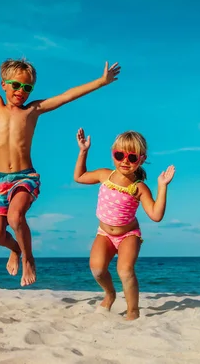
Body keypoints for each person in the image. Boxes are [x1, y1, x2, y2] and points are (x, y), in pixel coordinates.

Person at [0, 9, 121, 287]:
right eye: (16, 85)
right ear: (4, 84)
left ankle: (29, 257)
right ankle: (15, 249)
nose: (21, 90)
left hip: (24, 178)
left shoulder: (32, 110)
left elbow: (66, 96)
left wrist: (100, 82)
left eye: (27, 87)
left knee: (16, 216)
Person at [73, 128, 175, 320]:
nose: (125, 161)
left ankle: (132, 310)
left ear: (141, 159)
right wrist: (83, 151)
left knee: (125, 271)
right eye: (119, 155)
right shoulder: (104, 175)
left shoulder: (138, 187)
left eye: (132, 157)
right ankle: (110, 294)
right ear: (113, 155)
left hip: (129, 235)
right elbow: (79, 177)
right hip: (104, 233)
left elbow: (156, 215)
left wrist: (162, 186)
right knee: (97, 268)